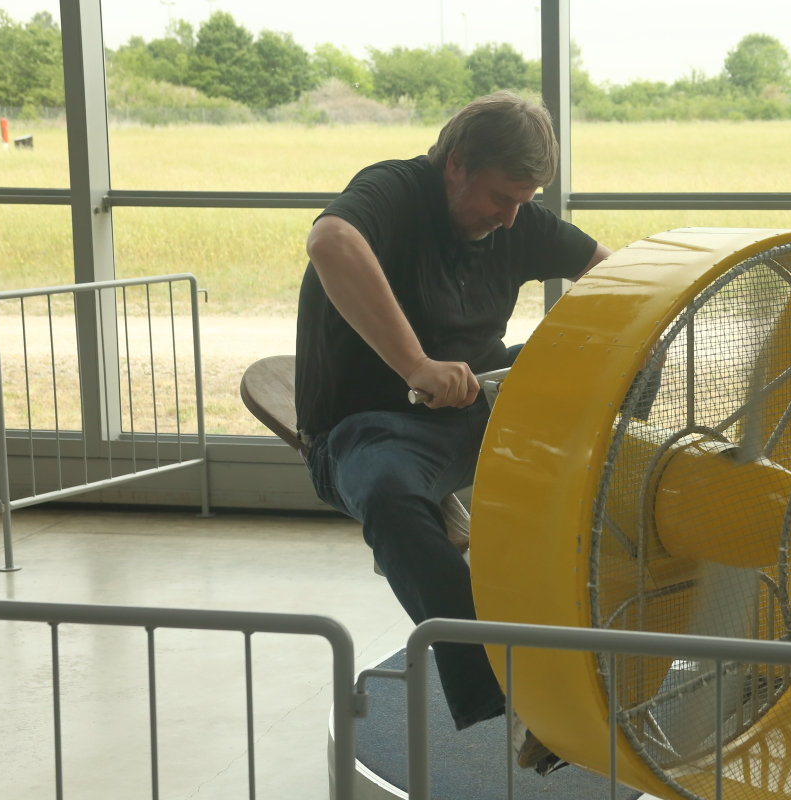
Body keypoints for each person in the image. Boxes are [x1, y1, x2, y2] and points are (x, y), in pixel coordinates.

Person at [294, 91, 610, 771]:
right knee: (390, 495)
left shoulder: (514, 218)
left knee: (608, 367)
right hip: (371, 427)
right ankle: (517, 696)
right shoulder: (394, 190)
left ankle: (618, 635)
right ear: (456, 164)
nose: (511, 217)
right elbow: (329, 241)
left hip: (483, 403)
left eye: (525, 201)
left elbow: (615, 276)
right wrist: (416, 364)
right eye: (501, 197)